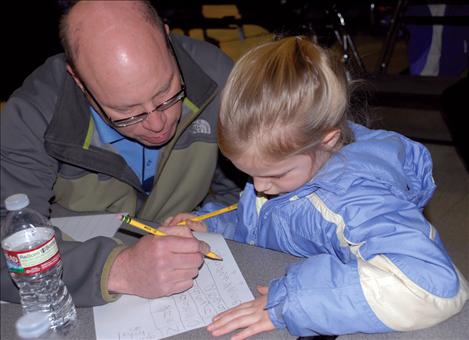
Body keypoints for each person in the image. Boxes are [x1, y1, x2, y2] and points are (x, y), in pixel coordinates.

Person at [164, 36, 469, 338]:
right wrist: (209, 224)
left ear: (329, 140)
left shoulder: (356, 199)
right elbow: (261, 220)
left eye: (275, 174)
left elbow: (434, 286)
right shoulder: (287, 168)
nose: (259, 187)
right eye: (248, 173)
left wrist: (293, 301)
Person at [1, 0, 244, 306]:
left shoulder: (215, 78)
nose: (158, 124)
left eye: (167, 94)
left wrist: (205, 220)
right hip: (82, 284)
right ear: (78, 80)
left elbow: (249, 194)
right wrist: (118, 269)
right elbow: (8, 239)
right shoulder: (34, 114)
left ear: (167, 40)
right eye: (126, 112)